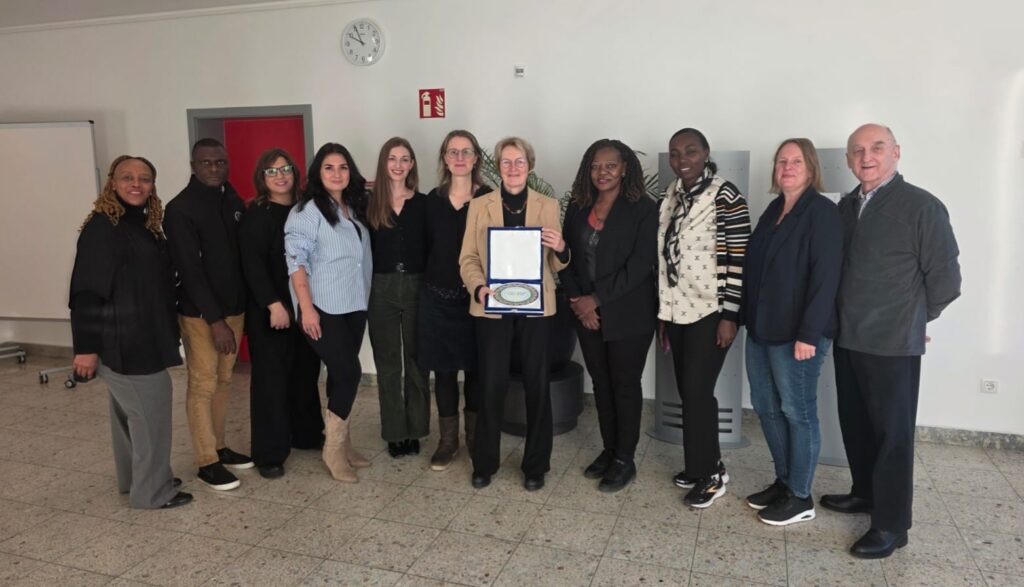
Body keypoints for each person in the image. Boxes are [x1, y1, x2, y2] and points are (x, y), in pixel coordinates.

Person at [821, 124, 961, 558]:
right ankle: (865, 493)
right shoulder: (846, 207)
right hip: (848, 337)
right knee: (856, 423)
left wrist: (915, 318)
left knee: (892, 435)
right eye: (857, 150)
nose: (867, 157)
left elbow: (946, 279)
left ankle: (892, 524)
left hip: (892, 342)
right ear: (848, 160)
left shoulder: (921, 206)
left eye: (877, 147)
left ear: (896, 152)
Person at [70, 155, 191, 509]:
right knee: (151, 413)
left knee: (127, 414)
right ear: (112, 182)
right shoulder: (103, 227)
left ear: (153, 185)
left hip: (142, 335)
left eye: (144, 178)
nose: (136, 184)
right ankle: (152, 492)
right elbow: (86, 292)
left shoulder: (141, 224)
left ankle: (135, 480)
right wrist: (85, 349)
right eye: (127, 177)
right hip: (125, 341)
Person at [741, 138, 842, 525]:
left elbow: (826, 278)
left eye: (796, 161)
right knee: (766, 408)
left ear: (811, 168)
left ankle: (800, 496)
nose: (787, 167)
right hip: (762, 328)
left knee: (797, 412)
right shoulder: (773, 210)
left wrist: (809, 334)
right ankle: (784, 482)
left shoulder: (822, 212)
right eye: (781, 161)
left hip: (797, 335)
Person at [459, 136, 569, 491]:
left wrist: (561, 247)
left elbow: (557, 263)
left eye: (519, 161)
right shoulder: (481, 205)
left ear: (529, 165)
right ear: (498, 166)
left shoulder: (548, 205)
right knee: (491, 384)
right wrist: (478, 287)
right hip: (491, 305)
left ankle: (535, 465)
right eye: (506, 161)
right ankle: (484, 462)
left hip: (537, 309)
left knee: (537, 384)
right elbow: (468, 258)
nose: (513, 168)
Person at [657, 127, 750, 508]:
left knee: (697, 392)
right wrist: (663, 313)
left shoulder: (726, 195)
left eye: (691, 151)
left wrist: (730, 315)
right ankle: (702, 466)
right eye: (675, 153)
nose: (682, 160)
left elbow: (739, 259)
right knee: (689, 391)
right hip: (677, 310)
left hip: (711, 312)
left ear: (706, 153)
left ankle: (710, 475)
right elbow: (664, 256)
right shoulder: (671, 195)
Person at [560, 139, 657, 493]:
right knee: (601, 383)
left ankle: (624, 460)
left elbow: (640, 265)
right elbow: (566, 256)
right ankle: (609, 449)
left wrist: (595, 300)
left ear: (625, 168)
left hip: (629, 314)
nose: (602, 172)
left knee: (625, 385)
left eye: (610, 166)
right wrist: (578, 300)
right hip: (586, 313)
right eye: (596, 166)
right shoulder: (578, 205)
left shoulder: (643, 208)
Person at [164, 138, 252, 491]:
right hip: (201, 315)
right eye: (206, 162)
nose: (215, 168)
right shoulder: (180, 209)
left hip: (235, 309)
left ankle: (219, 446)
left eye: (220, 162)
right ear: (193, 165)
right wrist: (216, 321)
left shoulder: (231, 199)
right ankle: (206, 461)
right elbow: (189, 271)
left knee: (224, 380)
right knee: (202, 383)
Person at [285, 143, 373, 483]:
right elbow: (296, 261)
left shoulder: (353, 207)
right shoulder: (306, 212)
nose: (337, 173)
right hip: (323, 306)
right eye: (329, 167)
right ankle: (332, 449)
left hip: (355, 302)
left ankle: (344, 444)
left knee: (340, 374)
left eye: (343, 167)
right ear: (317, 173)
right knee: (349, 372)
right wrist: (306, 308)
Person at [239, 148, 324, 479]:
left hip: (305, 306)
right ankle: (270, 452)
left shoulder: (306, 209)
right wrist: (273, 304)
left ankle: (306, 434)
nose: (280, 176)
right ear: (262, 177)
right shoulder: (256, 214)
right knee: (271, 381)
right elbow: (252, 265)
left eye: (285, 169)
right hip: (272, 310)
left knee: (305, 373)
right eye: (272, 171)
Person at [420, 130, 491, 471]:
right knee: (445, 373)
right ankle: (448, 441)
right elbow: (423, 248)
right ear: (445, 159)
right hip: (438, 299)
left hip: (478, 299)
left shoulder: (490, 199)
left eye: (466, 151)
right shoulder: (431, 201)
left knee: (476, 371)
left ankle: (475, 439)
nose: (460, 158)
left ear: (476, 158)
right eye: (453, 152)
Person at [366, 138, 430, 459]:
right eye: (392, 158)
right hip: (381, 288)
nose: (398, 165)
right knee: (388, 364)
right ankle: (394, 432)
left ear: (412, 164)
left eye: (405, 159)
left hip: (418, 287)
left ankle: (416, 429)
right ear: (384, 162)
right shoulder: (368, 204)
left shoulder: (424, 204)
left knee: (417, 363)